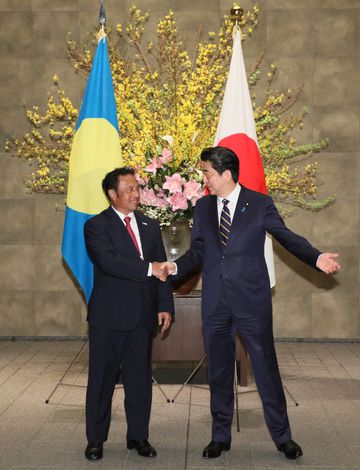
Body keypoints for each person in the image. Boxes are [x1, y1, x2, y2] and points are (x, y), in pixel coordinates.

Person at [163, 146, 340, 460]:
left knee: (265, 368)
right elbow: (198, 251)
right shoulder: (203, 207)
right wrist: (175, 267)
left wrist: (315, 256)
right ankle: (220, 436)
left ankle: (283, 437)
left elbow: (285, 236)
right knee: (218, 370)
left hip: (252, 301)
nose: (204, 179)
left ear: (226, 173)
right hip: (216, 302)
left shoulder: (259, 204)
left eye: (207, 173)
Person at [83, 167, 173, 461]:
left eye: (137, 188)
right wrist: (149, 269)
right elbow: (110, 263)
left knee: (139, 381)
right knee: (102, 381)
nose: (136, 194)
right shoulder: (96, 226)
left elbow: (161, 268)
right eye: (130, 189)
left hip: (142, 317)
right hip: (108, 317)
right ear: (113, 194)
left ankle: (138, 436)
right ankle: (96, 439)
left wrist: (164, 305)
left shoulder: (149, 225)